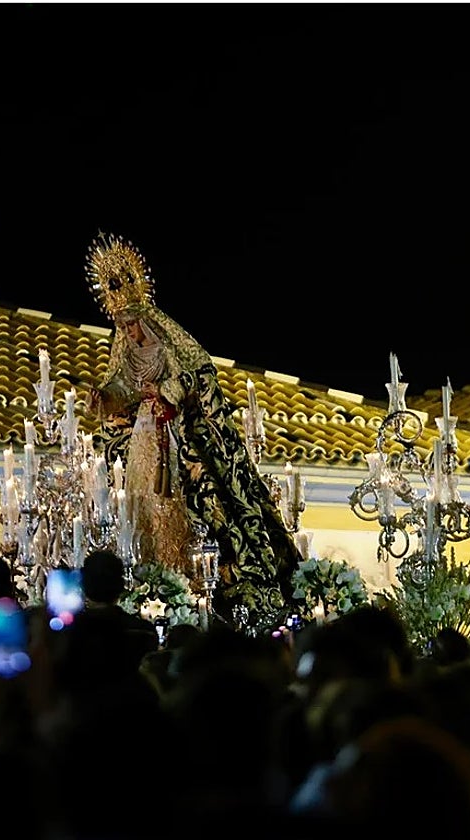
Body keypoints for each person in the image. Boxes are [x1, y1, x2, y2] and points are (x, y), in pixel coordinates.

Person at [83, 232, 303, 630]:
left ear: (144, 320)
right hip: (146, 438)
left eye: (132, 324)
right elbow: (120, 387)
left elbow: (197, 374)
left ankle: (201, 575)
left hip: (181, 436)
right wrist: (104, 397)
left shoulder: (168, 342)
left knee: (199, 499)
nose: (128, 332)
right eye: (123, 325)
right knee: (144, 501)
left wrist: (166, 391)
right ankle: (155, 574)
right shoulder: (125, 352)